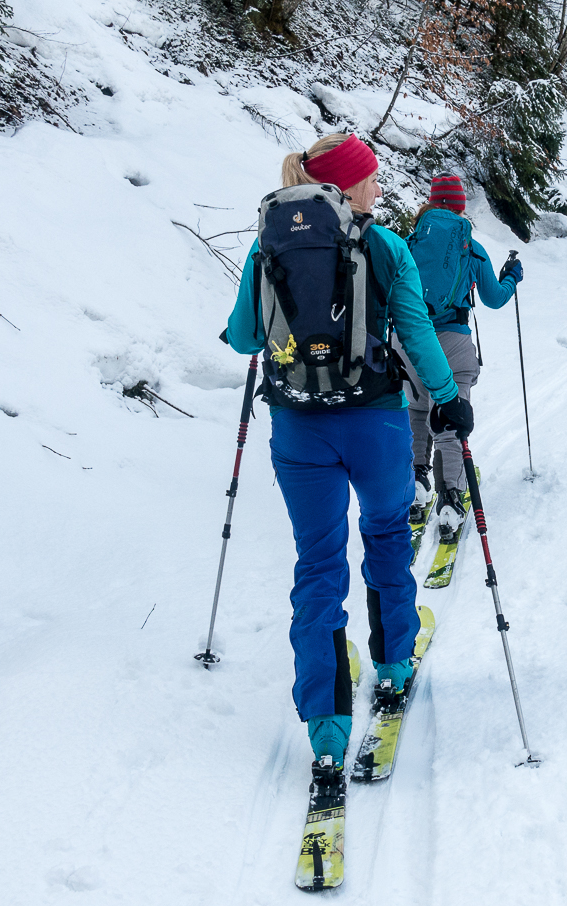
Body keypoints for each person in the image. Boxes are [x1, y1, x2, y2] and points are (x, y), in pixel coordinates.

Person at [223, 133, 474, 777]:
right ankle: (393, 664)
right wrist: (447, 398)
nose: (381, 189)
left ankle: (327, 726)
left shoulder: (269, 240)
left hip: (298, 429)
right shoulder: (386, 246)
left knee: (318, 563)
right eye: (373, 179)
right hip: (377, 424)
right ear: (350, 186)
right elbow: (416, 331)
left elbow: (245, 336)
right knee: (388, 533)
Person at [400, 174, 522, 540]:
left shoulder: (407, 243)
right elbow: (495, 298)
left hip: (408, 340)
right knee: (450, 419)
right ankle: (451, 500)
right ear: (460, 207)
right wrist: (512, 277)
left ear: (431, 202)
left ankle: (417, 484)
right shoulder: (471, 246)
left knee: (417, 411)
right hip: (453, 341)